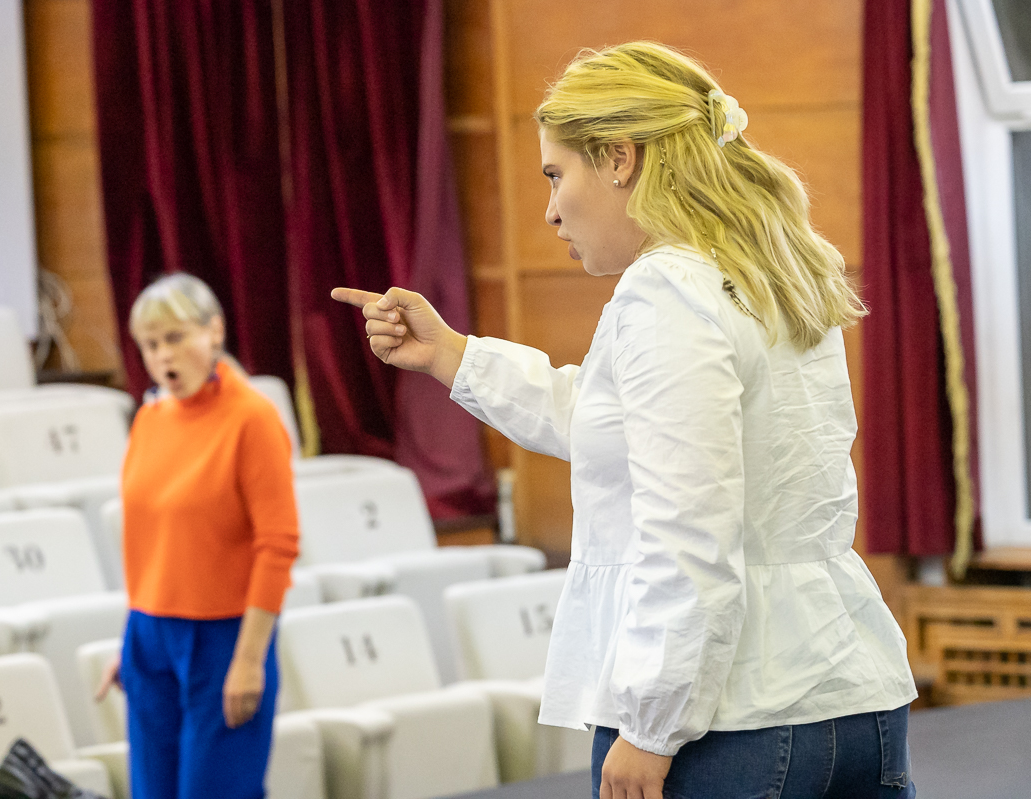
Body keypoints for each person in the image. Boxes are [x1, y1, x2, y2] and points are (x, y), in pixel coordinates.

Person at [334, 41, 916, 799]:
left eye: (555, 173)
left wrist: (651, 720)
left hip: (730, 723)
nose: (548, 208)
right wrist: (450, 354)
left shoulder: (666, 290)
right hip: (852, 698)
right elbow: (612, 421)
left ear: (618, 157)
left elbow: (690, 533)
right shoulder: (774, 270)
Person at [95, 273, 300, 799]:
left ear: (214, 332)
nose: (164, 356)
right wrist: (132, 634)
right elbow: (149, 540)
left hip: (224, 638)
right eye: (150, 344)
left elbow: (277, 545)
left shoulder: (251, 418)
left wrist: (250, 659)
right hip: (149, 636)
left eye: (176, 337)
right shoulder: (148, 419)